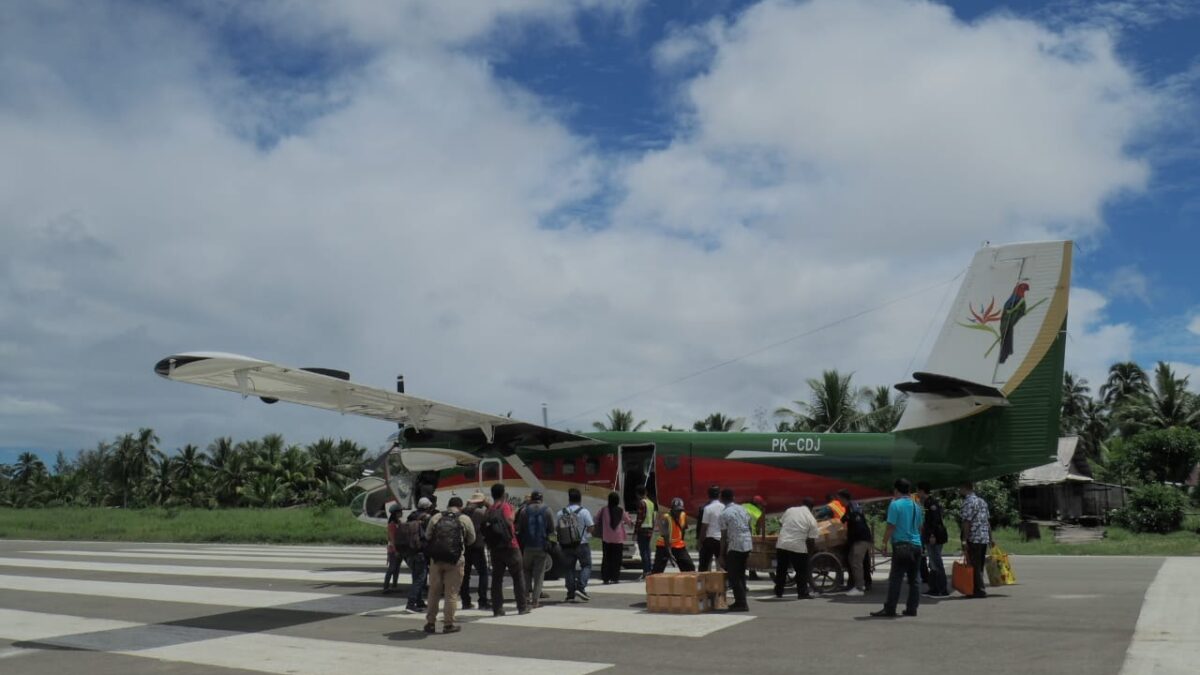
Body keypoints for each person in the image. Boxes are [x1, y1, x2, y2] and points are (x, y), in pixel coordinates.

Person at [871, 478, 924, 618]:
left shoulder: (895, 505)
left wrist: (884, 543)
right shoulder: (916, 506)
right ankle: (912, 609)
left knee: (896, 579)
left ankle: (890, 608)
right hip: (917, 545)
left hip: (901, 545)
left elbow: (891, 526)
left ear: (896, 490)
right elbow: (920, 527)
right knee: (914, 580)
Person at [423, 496, 476, 634]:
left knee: (433, 592)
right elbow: (472, 539)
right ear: (460, 506)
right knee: (451, 593)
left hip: (436, 560)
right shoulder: (464, 518)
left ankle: (430, 623)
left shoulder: (436, 517)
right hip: (455, 560)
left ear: (448, 505)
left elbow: (428, 536)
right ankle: (448, 624)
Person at [485, 483, 529, 616]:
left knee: (497, 579)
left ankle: (497, 609)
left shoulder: (489, 510)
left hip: (495, 548)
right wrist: (514, 512)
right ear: (504, 494)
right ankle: (522, 607)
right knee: (517, 576)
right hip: (510, 546)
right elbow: (510, 521)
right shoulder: (506, 506)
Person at [775, 497, 819, 599]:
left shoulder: (790, 510)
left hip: (782, 543)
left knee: (781, 569)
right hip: (798, 546)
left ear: (801, 503)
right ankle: (802, 593)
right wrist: (809, 554)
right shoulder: (811, 519)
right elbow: (811, 540)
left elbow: (781, 523)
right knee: (801, 570)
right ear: (812, 508)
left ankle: (779, 591)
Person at [517, 490, 554, 608]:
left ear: (531, 499)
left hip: (528, 546)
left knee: (526, 571)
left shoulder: (524, 511)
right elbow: (551, 529)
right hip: (542, 546)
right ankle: (535, 601)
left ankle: (526, 597)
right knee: (539, 575)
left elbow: (520, 528)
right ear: (541, 499)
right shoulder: (547, 510)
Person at [718, 488, 752, 611]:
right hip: (747, 544)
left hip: (735, 545)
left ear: (721, 499)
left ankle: (741, 603)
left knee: (734, 575)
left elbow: (723, 536)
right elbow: (749, 526)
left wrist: (721, 555)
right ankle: (741, 601)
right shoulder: (743, 509)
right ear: (733, 498)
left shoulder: (724, 514)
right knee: (741, 574)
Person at [558, 487, 595, 602]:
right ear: (580, 499)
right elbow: (591, 527)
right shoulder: (584, 512)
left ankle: (570, 593)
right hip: (582, 543)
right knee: (586, 565)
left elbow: (557, 528)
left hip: (566, 545)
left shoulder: (561, 512)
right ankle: (580, 587)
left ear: (569, 499)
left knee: (569, 569)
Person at [959, 482, 993, 599]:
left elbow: (966, 522)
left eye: (960, 488)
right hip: (983, 537)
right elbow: (987, 521)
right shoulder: (982, 501)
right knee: (979, 565)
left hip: (974, 537)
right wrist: (991, 538)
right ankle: (978, 588)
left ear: (965, 488)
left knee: (974, 565)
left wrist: (964, 539)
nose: (959, 491)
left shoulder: (968, 502)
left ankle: (978, 590)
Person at [459, 491, 491, 610]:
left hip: (464, 546)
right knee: (483, 573)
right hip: (477, 545)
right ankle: (482, 600)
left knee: (465, 575)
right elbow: (492, 515)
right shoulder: (480, 512)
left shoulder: (463, 512)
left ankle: (465, 601)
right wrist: (488, 505)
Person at [917, 482, 949, 597]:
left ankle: (942, 589)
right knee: (933, 563)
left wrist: (932, 535)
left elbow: (934, 521)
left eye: (918, 491)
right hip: (930, 536)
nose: (917, 493)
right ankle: (934, 588)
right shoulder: (927, 503)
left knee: (937, 562)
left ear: (922, 491)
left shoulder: (931, 503)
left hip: (934, 537)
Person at [840, 489, 873, 596]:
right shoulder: (851, 506)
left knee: (856, 562)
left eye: (839, 499)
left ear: (844, 498)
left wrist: (851, 537)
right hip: (859, 539)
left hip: (861, 539)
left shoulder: (853, 507)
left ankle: (859, 588)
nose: (839, 501)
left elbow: (857, 523)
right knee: (852, 559)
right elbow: (846, 518)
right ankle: (859, 585)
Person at [405, 497, 434, 612]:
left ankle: (419, 601)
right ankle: (411, 603)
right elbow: (429, 534)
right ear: (427, 507)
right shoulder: (427, 518)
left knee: (415, 576)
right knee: (421, 578)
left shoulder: (411, 516)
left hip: (409, 551)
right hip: (420, 551)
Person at [652, 497, 695, 573]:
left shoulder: (683, 515)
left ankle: (686, 583)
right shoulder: (665, 518)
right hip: (663, 546)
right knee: (657, 570)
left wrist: (682, 542)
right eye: (677, 510)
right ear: (672, 509)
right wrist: (669, 553)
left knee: (689, 567)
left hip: (678, 545)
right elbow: (666, 536)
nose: (678, 512)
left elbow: (683, 530)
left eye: (680, 510)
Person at [597, 491, 630, 584]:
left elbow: (596, 519)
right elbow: (628, 520)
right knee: (617, 559)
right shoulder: (621, 510)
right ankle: (615, 577)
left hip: (606, 538)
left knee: (606, 558)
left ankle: (605, 577)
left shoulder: (603, 510)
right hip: (618, 539)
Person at [698, 485, 724, 572]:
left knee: (704, 565)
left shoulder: (707, 508)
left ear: (708, 495)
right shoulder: (724, 507)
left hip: (710, 539)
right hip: (721, 539)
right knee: (722, 564)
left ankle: (703, 583)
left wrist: (700, 541)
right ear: (719, 495)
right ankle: (724, 583)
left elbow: (704, 526)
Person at [743, 495, 768, 580]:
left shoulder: (743, 506)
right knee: (751, 555)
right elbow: (760, 526)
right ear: (758, 505)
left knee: (741, 555)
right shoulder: (757, 512)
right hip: (750, 535)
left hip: (738, 533)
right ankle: (752, 574)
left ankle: (742, 574)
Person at [634, 486, 655, 579]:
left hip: (642, 530)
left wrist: (635, 531)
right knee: (648, 551)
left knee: (643, 552)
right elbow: (653, 517)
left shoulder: (642, 503)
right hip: (649, 529)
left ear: (638, 494)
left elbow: (639, 519)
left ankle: (646, 571)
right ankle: (649, 570)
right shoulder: (651, 503)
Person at [384, 503, 403, 593]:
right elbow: (392, 539)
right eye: (400, 512)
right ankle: (386, 587)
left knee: (397, 569)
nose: (401, 513)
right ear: (396, 513)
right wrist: (395, 551)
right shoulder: (392, 525)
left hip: (399, 549)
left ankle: (394, 586)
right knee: (392, 568)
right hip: (393, 549)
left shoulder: (399, 523)